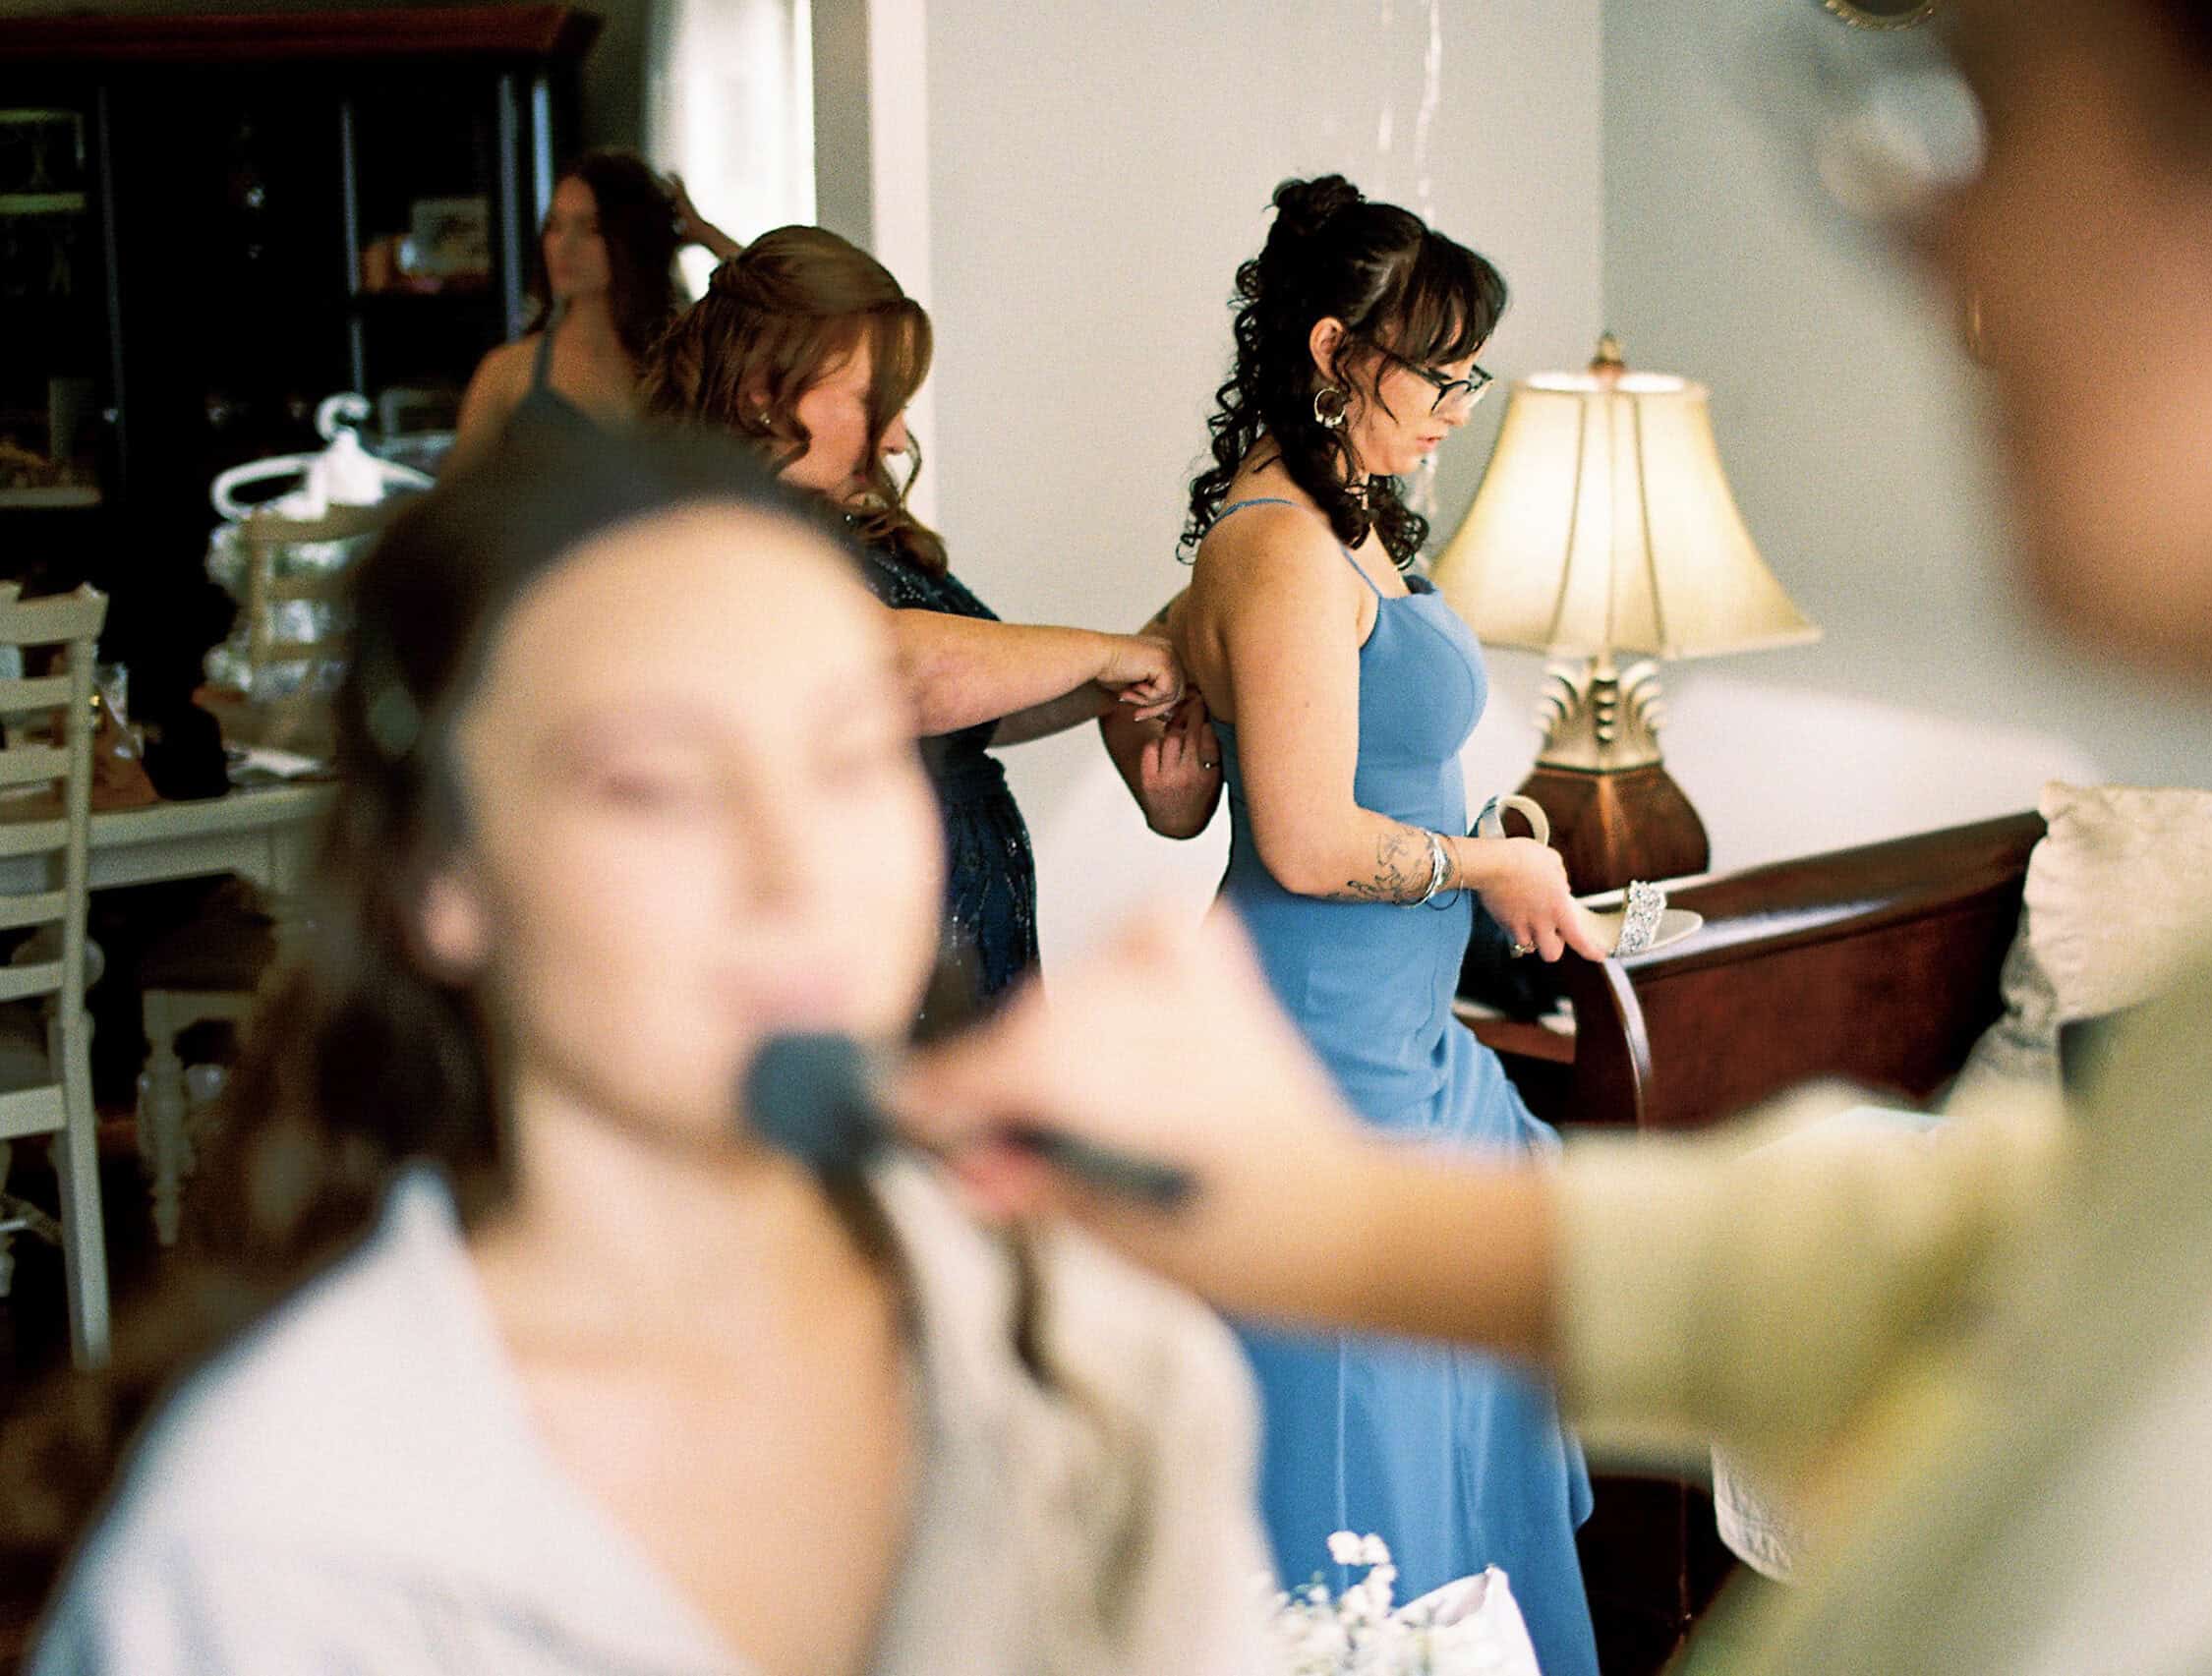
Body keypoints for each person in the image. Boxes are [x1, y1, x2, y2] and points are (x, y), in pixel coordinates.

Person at [904, 3, 2212, 1669]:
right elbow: (2020, 1253)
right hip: (1338, 1036)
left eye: (1966, 116)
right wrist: (1350, 1222)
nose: (1931, 241)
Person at [11, 424, 1272, 1674]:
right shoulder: (271, 1553)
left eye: (851, 757)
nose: (797, 869)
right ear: (440, 873)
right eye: (659, 782)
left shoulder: (1097, 1371)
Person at [1116, 173, 1608, 1676]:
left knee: (1447, 1412)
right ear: (1336, 352)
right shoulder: (1275, 547)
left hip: (1400, 1038)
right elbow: (1315, 845)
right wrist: (1488, 869)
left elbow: (1195, 799)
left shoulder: (1352, 525)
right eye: (1442, 372)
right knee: (1353, 1455)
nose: (1464, 404)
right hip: (1319, 1046)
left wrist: (1479, 839)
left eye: (1474, 372)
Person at [645, 226, 1185, 1007]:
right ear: (764, 390)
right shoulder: (723, 532)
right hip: (864, 959)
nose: (897, 437)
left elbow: (977, 711)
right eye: (874, 403)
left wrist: (1149, 656)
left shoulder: (845, 523)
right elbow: (896, 675)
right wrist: (1106, 654)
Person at [447, 154, 741, 469]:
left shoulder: (681, 360)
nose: (565, 245)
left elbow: (781, 297)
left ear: (629, 240)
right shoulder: (508, 372)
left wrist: (702, 232)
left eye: (590, 229)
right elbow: (454, 508)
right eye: (554, 226)